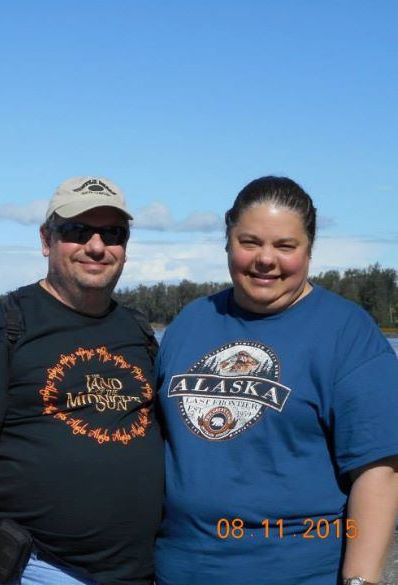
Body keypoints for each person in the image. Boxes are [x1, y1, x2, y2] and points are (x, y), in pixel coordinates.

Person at [155, 176, 398, 585]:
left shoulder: (346, 332)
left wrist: (361, 580)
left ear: (308, 250)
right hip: (178, 569)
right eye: (250, 242)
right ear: (227, 240)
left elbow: (380, 472)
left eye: (285, 246)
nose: (265, 259)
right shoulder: (191, 322)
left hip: (296, 571)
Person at [0, 176, 164, 584]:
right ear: (46, 240)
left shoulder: (139, 332)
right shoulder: (1, 328)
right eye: (77, 231)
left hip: (143, 572)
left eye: (113, 233)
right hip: (43, 569)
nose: (96, 246)